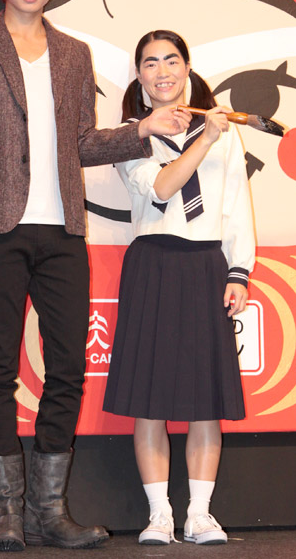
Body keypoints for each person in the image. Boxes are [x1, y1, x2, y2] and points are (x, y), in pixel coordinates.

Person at [0, 0, 191, 552]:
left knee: (68, 367)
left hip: (62, 233)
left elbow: (82, 143)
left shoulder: (74, 53)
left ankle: (49, 512)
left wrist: (143, 130)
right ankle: (7, 512)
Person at [103, 30, 255, 545]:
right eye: (150, 63)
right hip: (153, 264)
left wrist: (238, 271)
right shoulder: (130, 136)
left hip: (206, 265)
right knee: (150, 398)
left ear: (187, 68)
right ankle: (160, 515)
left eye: (172, 60)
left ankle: (200, 515)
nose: (162, 71)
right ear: (139, 75)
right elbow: (163, 187)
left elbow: (236, 205)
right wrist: (204, 139)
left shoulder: (225, 133)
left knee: (205, 400)